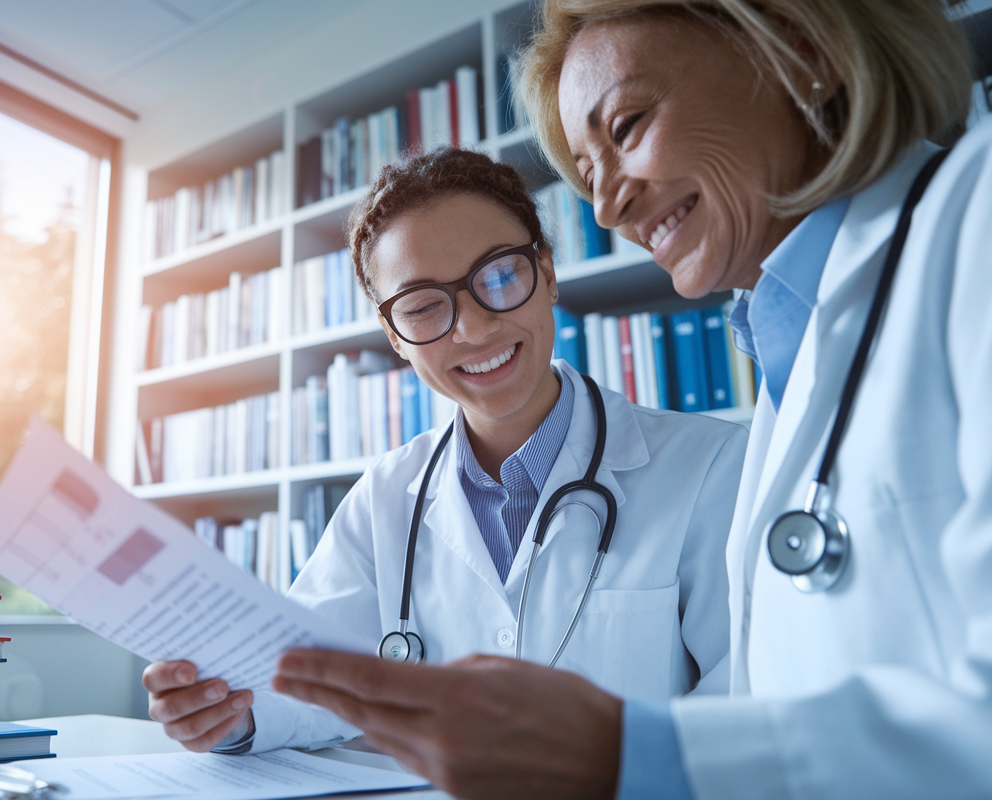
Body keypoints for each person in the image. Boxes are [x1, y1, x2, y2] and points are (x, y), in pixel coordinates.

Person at [270, 1, 992, 798]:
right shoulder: (798, 359)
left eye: (627, 126)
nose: (607, 208)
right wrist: (236, 706)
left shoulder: (975, 216)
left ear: (801, 49)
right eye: (586, 174)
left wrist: (631, 753)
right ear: (394, 336)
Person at [143, 147, 749, 757]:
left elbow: (747, 696)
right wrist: (228, 710)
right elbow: (310, 677)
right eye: (424, 306)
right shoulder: (383, 497)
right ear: (396, 338)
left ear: (547, 272)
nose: (473, 329)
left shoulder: (710, 467)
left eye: (501, 276)